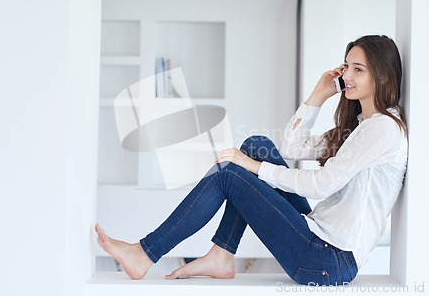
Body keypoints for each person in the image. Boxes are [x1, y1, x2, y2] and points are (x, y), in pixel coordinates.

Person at [95, 35, 408, 286]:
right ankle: (221, 254)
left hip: (328, 259)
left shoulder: (382, 129)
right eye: (346, 66)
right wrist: (317, 95)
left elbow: (323, 183)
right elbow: (291, 146)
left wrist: (253, 167)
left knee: (230, 173)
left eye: (358, 69)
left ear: (381, 77)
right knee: (256, 145)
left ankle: (144, 254)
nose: (347, 76)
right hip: (321, 242)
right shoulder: (361, 127)